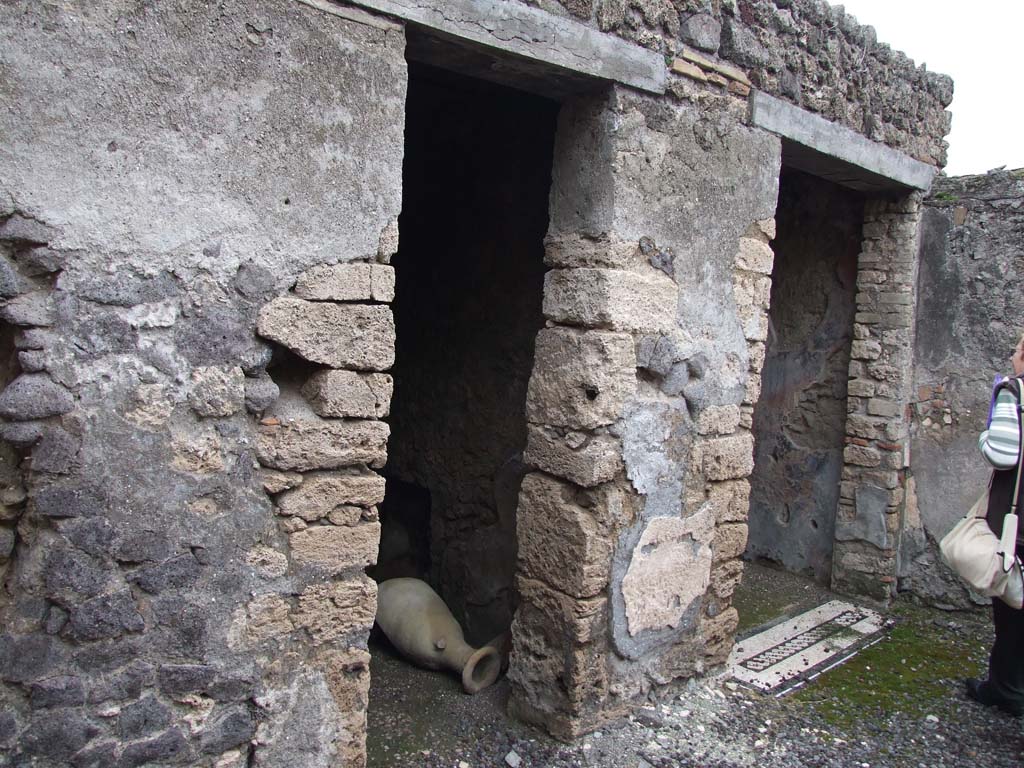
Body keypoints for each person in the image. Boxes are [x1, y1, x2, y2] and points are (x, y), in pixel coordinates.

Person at [968, 333, 1024, 717]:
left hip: (1017, 522)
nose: (1013, 356)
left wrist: (984, 435)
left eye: (1018, 350)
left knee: (1012, 603)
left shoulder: (1013, 391)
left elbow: (1002, 453)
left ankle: (1006, 689)